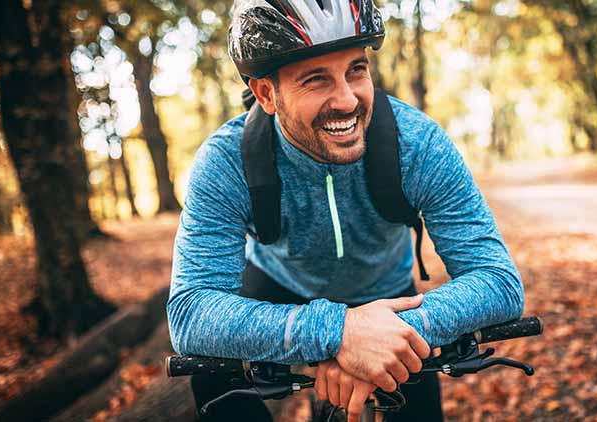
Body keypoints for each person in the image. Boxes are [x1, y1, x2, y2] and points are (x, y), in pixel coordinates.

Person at [167, 0, 525, 420]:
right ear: (266, 93)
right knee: (213, 381)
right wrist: (338, 332)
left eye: (356, 70)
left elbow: (498, 280)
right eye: (316, 80)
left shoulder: (417, 143)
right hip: (280, 285)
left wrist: (384, 335)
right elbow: (191, 311)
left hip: (390, 298)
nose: (346, 100)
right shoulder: (227, 161)